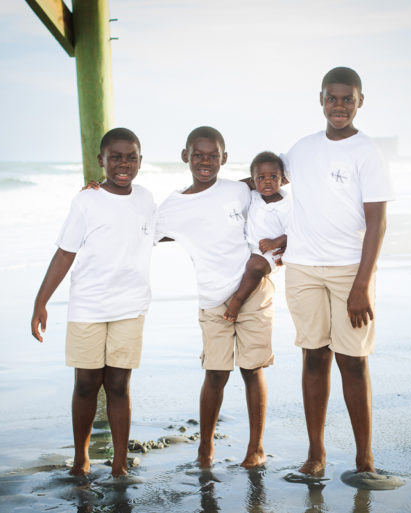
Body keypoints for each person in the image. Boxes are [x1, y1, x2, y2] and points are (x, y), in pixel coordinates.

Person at [281, 67, 401, 488]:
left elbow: (377, 224)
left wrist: (362, 285)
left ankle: (364, 458)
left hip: (350, 270)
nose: (339, 106)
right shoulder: (302, 148)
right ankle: (315, 455)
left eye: (347, 99)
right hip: (302, 268)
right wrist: (206, 188)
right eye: (332, 98)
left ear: (360, 102)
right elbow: (265, 182)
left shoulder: (367, 152)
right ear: (321, 100)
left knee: (353, 361)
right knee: (313, 356)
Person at [30, 128, 156, 478]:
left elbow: (174, 222)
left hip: (130, 307)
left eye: (130, 157)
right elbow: (65, 252)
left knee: (118, 385)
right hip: (88, 306)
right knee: (86, 383)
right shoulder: (86, 200)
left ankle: (119, 462)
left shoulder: (146, 198)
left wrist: (251, 183)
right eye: (115, 157)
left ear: (140, 161)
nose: (123, 163)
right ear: (101, 161)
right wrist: (42, 302)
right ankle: (81, 459)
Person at [155, 126, 274, 469]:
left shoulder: (238, 190)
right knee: (216, 373)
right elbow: (142, 229)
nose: (205, 162)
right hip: (212, 297)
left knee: (252, 370)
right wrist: (99, 191)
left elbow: (275, 179)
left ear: (224, 158)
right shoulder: (173, 206)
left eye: (212, 155)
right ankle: (205, 448)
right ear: (185, 157)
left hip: (252, 291)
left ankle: (255, 449)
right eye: (198, 155)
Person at [223, 151, 291, 322]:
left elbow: (296, 231)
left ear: (282, 179)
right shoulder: (253, 196)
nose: (267, 181)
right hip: (248, 245)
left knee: (256, 267)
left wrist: (277, 241)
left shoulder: (286, 205)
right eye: (261, 178)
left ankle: (237, 301)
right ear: (253, 182)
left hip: (270, 252)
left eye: (273, 177)